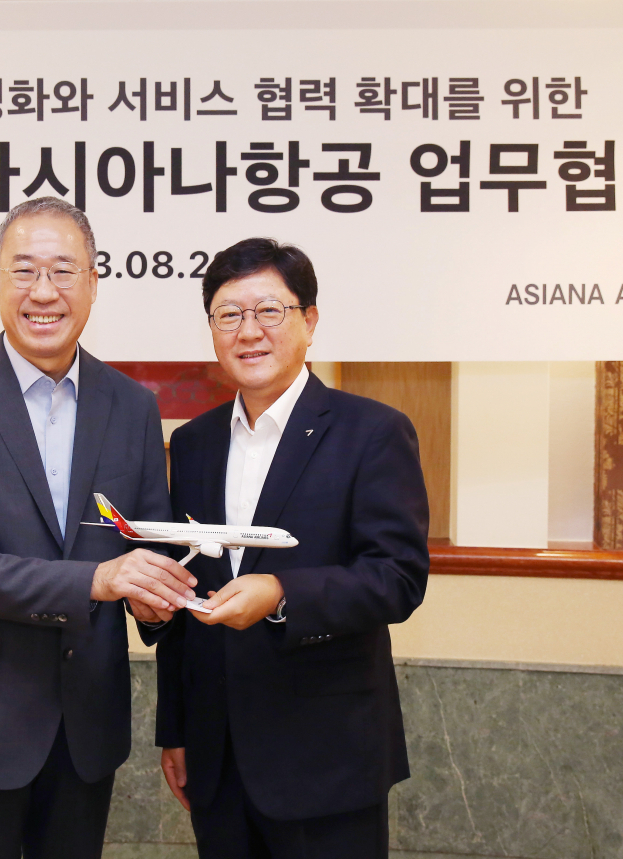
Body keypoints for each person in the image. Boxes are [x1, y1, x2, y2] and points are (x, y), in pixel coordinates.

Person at [0, 197, 197, 859]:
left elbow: (146, 547)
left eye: (64, 272)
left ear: (93, 282)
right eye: (24, 270)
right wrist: (100, 578)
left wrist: (157, 602)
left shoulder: (131, 406)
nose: (44, 292)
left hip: (85, 725)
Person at [152, 237, 430, 859]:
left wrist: (282, 593)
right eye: (229, 315)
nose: (248, 331)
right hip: (216, 756)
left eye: (269, 311)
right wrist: (176, 728)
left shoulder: (373, 432)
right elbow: (185, 586)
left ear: (309, 321)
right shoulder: (193, 445)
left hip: (326, 758)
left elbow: (398, 577)